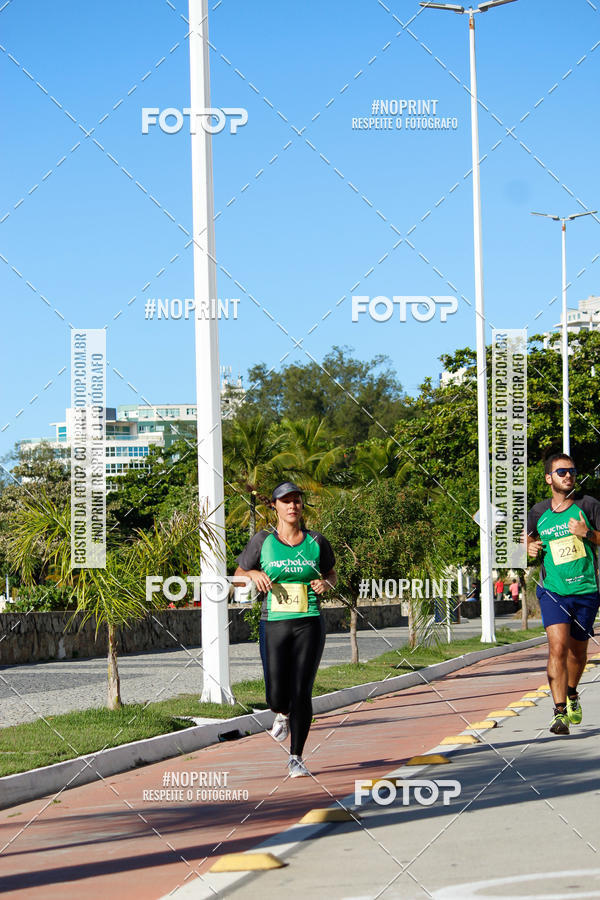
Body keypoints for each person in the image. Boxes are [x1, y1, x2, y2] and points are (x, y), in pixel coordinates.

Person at [234, 481, 337, 777]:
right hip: (273, 623)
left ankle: (296, 757)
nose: (293, 506)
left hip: (309, 621)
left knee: (302, 690)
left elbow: (331, 574)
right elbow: (239, 574)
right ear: (275, 506)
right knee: (277, 695)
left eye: (297, 501)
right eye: (286, 501)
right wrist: (253, 573)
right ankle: (281, 712)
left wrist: (325, 583)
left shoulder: (316, 541)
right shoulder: (263, 540)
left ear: (302, 506)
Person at [527, 452, 600, 735]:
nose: (568, 475)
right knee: (557, 646)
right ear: (549, 478)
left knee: (578, 652)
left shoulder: (588, 505)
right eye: (561, 472)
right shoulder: (539, 511)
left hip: (586, 590)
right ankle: (559, 713)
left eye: (571, 471)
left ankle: (571, 692)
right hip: (553, 590)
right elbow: (526, 542)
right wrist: (529, 548)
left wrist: (588, 534)